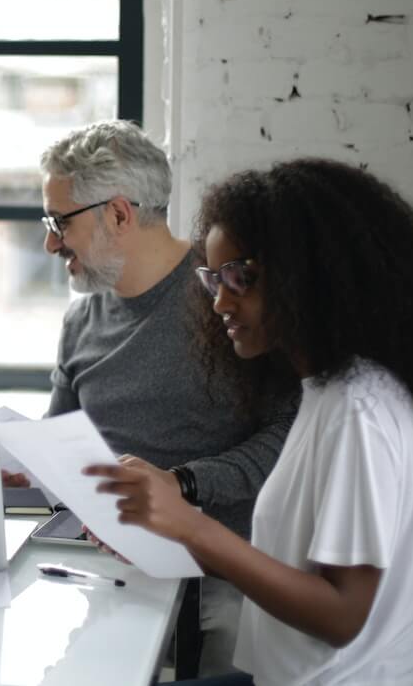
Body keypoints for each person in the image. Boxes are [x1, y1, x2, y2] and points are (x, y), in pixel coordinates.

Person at [88, 158, 413, 685]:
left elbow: (341, 616)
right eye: (213, 278)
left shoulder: (359, 409)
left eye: (241, 277)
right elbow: (289, 564)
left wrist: (188, 521)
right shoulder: (329, 389)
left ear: (312, 275)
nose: (220, 301)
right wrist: (159, 530)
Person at [30, 120, 295, 675]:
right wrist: (21, 467)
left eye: (60, 223)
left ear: (119, 214)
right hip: (105, 579)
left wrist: (184, 485)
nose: (50, 243)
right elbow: (56, 439)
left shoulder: (228, 302)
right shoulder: (82, 318)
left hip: (224, 586)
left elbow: (289, 433)